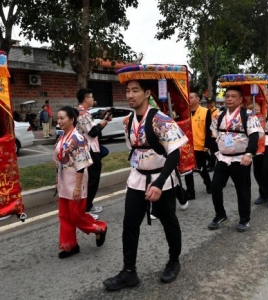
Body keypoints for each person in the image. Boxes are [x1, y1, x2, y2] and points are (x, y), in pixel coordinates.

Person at [103, 79, 188, 290]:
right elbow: (134, 150)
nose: (130, 95)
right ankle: (129, 272)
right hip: (137, 179)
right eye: (127, 91)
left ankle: (174, 260)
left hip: (162, 180)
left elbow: (174, 153)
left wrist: (159, 183)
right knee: (130, 224)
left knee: (169, 221)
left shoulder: (161, 119)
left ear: (147, 93)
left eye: (135, 90)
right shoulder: (127, 121)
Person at [54, 106, 107, 259]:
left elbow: (82, 165)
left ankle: (100, 228)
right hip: (64, 183)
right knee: (64, 216)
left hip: (76, 184)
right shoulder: (62, 137)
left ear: (72, 119)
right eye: (58, 118)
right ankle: (70, 245)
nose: (59, 121)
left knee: (77, 216)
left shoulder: (77, 138)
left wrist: (77, 187)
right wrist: (57, 180)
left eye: (62, 118)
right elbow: (58, 161)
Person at [208, 86, 263, 232]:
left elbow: (254, 135)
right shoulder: (218, 115)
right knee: (215, 187)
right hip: (223, 158)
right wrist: (214, 150)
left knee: (242, 190)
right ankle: (220, 214)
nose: (230, 99)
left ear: (240, 99)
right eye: (227, 96)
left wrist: (249, 153)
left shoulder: (248, 115)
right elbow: (213, 134)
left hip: (240, 158)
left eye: (233, 96)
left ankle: (244, 219)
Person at [76, 88, 109, 219]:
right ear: (85, 99)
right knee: (92, 179)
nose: (93, 99)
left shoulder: (84, 113)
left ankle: (89, 205)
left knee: (92, 178)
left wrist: (102, 122)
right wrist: (104, 123)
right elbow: (93, 132)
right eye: (91, 97)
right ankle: (86, 208)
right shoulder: (83, 114)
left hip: (91, 148)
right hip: (88, 150)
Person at [184, 91, 212, 200]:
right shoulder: (184, 112)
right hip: (187, 146)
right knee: (187, 170)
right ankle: (190, 191)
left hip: (200, 145)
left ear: (198, 99)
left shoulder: (205, 112)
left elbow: (209, 130)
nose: (189, 99)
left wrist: (207, 145)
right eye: (188, 97)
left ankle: (209, 185)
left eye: (191, 97)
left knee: (201, 168)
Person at [206, 97, 219, 172]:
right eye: (208, 103)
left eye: (211, 103)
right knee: (210, 150)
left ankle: (212, 165)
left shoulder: (217, 112)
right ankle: (211, 163)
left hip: (214, 135)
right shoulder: (207, 111)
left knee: (213, 151)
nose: (209, 104)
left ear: (214, 103)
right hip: (208, 134)